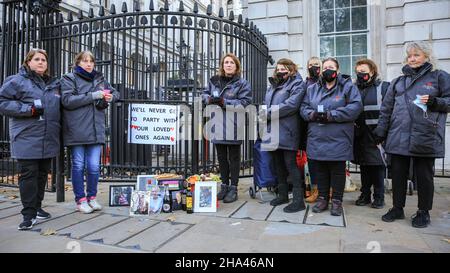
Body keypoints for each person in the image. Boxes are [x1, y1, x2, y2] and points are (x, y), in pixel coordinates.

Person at [373, 41, 450, 228]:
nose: (412, 59)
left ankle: (424, 212)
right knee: (397, 174)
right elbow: (386, 109)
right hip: (398, 134)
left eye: (417, 55)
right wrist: (381, 132)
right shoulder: (398, 82)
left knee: (424, 176)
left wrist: (435, 102)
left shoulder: (439, 77)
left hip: (425, 134)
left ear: (427, 57)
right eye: (410, 56)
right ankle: (397, 208)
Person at [0, 48, 61, 230]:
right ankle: (28, 214)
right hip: (26, 136)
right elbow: (2, 102)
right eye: (37, 59)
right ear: (28, 62)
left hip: (48, 137)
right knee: (28, 175)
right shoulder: (17, 81)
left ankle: (37, 207)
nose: (41, 62)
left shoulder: (52, 84)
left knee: (42, 175)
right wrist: (28, 110)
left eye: (44, 59)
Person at [300, 57, 362, 216]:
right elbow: (303, 108)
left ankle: (336, 201)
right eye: (325, 66)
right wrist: (312, 114)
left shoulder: (347, 87)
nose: (327, 69)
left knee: (337, 171)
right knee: (320, 170)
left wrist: (331, 115)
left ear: (337, 70)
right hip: (317, 137)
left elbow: (355, 107)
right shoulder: (312, 89)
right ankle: (322, 198)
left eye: (331, 67)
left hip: (339, 137)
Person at [61, 50, 119, 213]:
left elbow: (115, 92)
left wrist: (110, 97)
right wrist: (94, 95)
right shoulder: (69, 78)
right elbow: (67, 101)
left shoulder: (99, 79)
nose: (88, 64)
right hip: (76, 129)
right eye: (84, 61)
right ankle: (80, 200)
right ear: (77, 62)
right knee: (78, 165)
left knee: (94, 166)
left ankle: (92, 198)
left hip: (95, 129)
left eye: (91, 61)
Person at [202, 53, 252, 203]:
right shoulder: (214, 81)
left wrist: (224, 102)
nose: (228, 65)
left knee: (234, 158)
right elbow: (204, 94)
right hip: (217, 123)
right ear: (222, 65)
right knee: (222, 158)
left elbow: (244, 102)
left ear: (236, 66)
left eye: (231, 62)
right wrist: (209, 99)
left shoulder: (242, 83)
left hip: (234, 124)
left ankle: (233, 188)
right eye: (226, 62)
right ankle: (224, 186)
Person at [262, 58, 306, 213]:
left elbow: (292, 105)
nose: (281, 71)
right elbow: (266, 103)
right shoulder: (273, 85)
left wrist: (268, 113)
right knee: (278, 164)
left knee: (290, 164)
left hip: (288, 130)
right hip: (272, 129)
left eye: (284, 68)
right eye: (278, 69)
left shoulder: (297, 84)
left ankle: (298, 200)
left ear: (291, 69)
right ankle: (282, 194)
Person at [352, 59, 390, 209]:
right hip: (359, 134)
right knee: (364, 166)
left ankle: (379, 197)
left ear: (372, 72)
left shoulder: (383, 87)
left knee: (377, 166)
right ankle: (365, 194)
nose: (360, 75)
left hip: (376, 134)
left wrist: (382, 132)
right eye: (358, 72)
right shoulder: (354, 88)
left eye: (363, 72)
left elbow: (388, 110)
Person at [303, 56, 322, 203]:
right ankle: (315, 190)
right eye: (311, 65)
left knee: (327, 161)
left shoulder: (326, 83)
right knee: (312, 162)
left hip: (326, 125)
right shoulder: (304, 84)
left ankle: (327, 190)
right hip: (309, 126)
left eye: (317, 64)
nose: (314, 67)